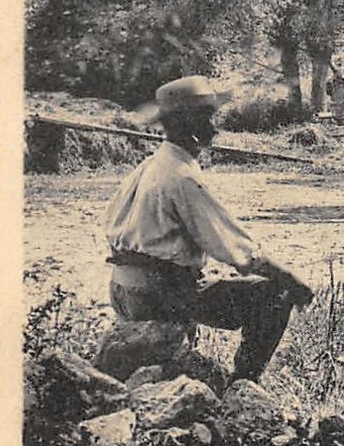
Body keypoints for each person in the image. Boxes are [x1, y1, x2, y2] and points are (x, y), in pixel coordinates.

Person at [102, 76, 312, 384]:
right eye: (206, 118)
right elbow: (236, 250)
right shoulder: (182, 176)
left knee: (197, 290)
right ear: (186, 123)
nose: (214, 128)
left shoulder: (149, 166)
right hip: (159, 294)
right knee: (274, 295)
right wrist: (291, 280)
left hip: (124, 290)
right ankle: (242, 386)